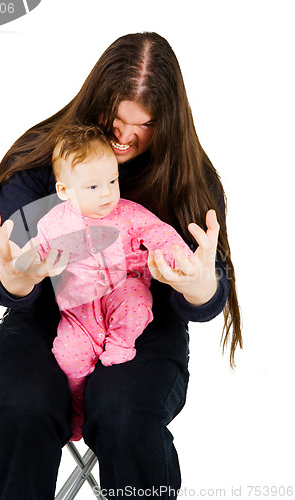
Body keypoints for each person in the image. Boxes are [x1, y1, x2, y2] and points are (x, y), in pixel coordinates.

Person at [0, 32, 242, 500]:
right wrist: (17, 280)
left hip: (140, 321)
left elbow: (208, 289)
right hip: (46, 318)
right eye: (114, 118)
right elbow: (4, 269)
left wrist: (202, 288)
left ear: (169, 123)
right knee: (23, 406)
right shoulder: (44, 158)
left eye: (142, 125)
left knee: (123, 409)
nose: (123, 136)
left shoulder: (189, 177)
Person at [21, 123, 193, 441]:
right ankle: (77, 412)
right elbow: (36, 252)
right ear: (64, 191)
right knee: (67, 355)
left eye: (112, 181)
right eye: (93, 187)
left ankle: (119, 344)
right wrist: (26, 263)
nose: (107, 193)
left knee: (137, 304)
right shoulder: (53, 223)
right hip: (80, 306)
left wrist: (179, 257)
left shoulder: (128, 213)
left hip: (122, 287)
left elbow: (160, 233)